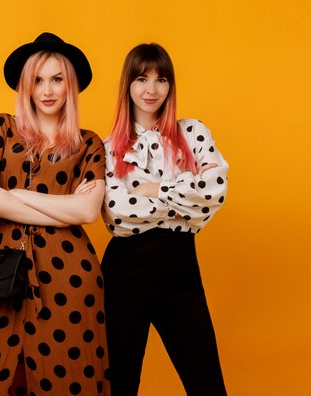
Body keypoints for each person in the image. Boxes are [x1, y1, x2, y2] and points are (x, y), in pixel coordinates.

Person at [0, 32, 110, 396]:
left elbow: (86, 211)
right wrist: (60, 212)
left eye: (57, 79)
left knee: (69, 383)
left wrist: (17, 194)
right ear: (26, 86)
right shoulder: (2, 128)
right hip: (3, 274)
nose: (47, 90)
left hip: (70, 279)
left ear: (70, 86)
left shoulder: (90, 143)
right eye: (37, 80)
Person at [101, 43, 229, 395]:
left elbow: (215, 189)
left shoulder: (192, 133)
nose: (151, 89)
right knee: (120, 387)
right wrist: (183, 194)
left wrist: (152, 188)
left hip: (181, 271)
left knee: (208, 386)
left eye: (161, 80)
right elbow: (117, 214)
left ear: (171, 86)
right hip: (125, 273)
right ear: (128, 84)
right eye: (141, 79)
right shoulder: (107, 148)